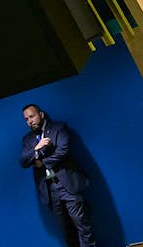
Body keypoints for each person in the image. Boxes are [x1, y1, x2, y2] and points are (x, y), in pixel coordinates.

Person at [20, 104, 96, 247]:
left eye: (32, 116)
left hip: (68, 185)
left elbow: (63, 151)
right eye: (26, 119)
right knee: (66, 228)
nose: (29, 121)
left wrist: (42, 163)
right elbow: (23, 160)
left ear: (41, 115)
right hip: (50, 189)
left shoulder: (58, 128)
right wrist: (36, 149)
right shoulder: (28, 139)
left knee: (82, 224)